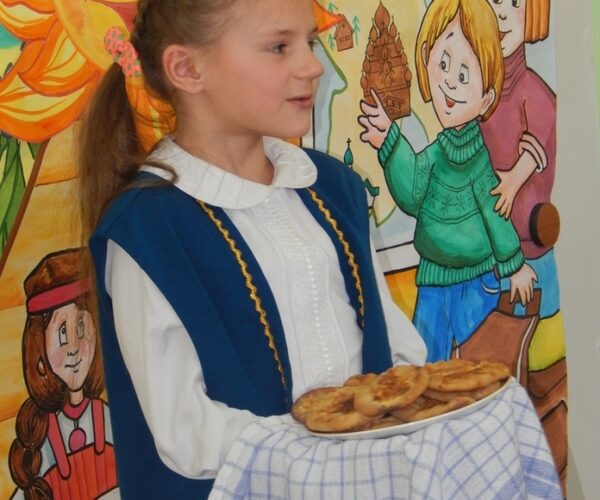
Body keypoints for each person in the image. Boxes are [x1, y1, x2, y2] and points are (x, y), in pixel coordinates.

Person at [77, 0, 427, 498]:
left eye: (309, 42)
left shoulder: (333, 188)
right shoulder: (148, 230)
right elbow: (187, 431)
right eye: (279, 47)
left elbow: (391, 343)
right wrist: (328, 452)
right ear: (187, 68)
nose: (312, 66)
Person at [358, 0, 537, 362]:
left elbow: (495, 212)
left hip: (476, 281)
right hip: (432, 282)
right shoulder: (436, 153)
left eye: (464, 75)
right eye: (443, 64)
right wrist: (390, 142)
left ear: (486, 98)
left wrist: (514, 266)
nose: (450, 84)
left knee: (476, 367)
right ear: (426, 63)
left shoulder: (478, 161)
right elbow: (412, 194)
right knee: (427, 366)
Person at [9, 249, 117, 499]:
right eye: (62, 333)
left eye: (81, 327)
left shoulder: (106, 417)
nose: (74, 348)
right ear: (39, 348)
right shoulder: (41, 438)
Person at [481, 0, 559, 319]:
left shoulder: (532, 90)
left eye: (514, 3)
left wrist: (513, 181)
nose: (501, 13)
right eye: (495, 1)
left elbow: (540, 134)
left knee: (538, 328)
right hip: (493, 250)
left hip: (531, 247)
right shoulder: (479, 93)